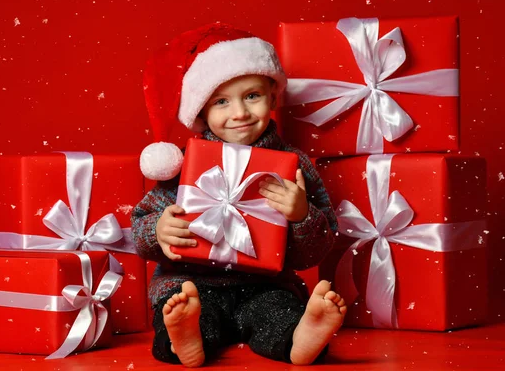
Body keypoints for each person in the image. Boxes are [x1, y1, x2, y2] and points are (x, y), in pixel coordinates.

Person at [131, 23, 346, 367]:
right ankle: (183, 339)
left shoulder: (295, 165)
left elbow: (319, 247)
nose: (240, 113)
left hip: (265, 286)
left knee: (277, 314)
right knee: (184, 308)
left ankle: (300, 340)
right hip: (192, 285)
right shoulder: (183, 166)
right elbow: (140, 229)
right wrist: (158, 230)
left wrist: (302, 215)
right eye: (221, 101)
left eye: (252, 96)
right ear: (200, 113)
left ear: (273, 96)